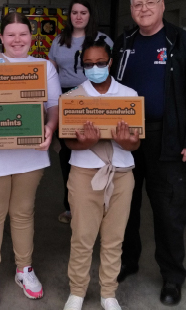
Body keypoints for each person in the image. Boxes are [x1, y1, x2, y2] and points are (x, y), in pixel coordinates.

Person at [110, 0, 186, 305]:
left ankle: (171, 276)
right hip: (126, 136)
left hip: (167, 138)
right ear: (131, 9)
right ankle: (127, 260)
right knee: (123, 206)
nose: (143, 9)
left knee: (169, 211)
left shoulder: (180, 42)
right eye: (137, 4)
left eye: (149, 3)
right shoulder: (124, 43)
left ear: (162, 5)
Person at [0, 12, 62, 307]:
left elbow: (55, 105)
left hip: (30, 152)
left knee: (22, 212)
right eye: (11, 34)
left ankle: (24, 269)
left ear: (31, 37)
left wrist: (49, 127)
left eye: (23, 34)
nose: (17, 40)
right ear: (1, 38)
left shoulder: (43, 67)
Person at [60, 38, 141, 310]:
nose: (95, 68)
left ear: (111, 63)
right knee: (82, 237)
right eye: (88, 64)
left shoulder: (129, 96)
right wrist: (85, 143)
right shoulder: (72, 98)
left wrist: (125, 140)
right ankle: (77, 292)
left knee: (114, 238)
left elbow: (135, 143)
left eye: (100, 63)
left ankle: (109, 293)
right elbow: (67, 141)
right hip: (84, 174)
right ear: (82, 65)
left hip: (121, 174)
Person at [50, 0, 113, 226]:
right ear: (69, 16)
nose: (78, 16)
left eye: (83, 12)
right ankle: (71, 206)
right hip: (66, 99)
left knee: (98, 150)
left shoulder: (103, 40)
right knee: (68, 154)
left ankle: (100, 203)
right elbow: (52, 72)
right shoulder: (58, 41)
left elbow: (111, 72)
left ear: (90, 15)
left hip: (95, 98)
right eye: (74, 12)